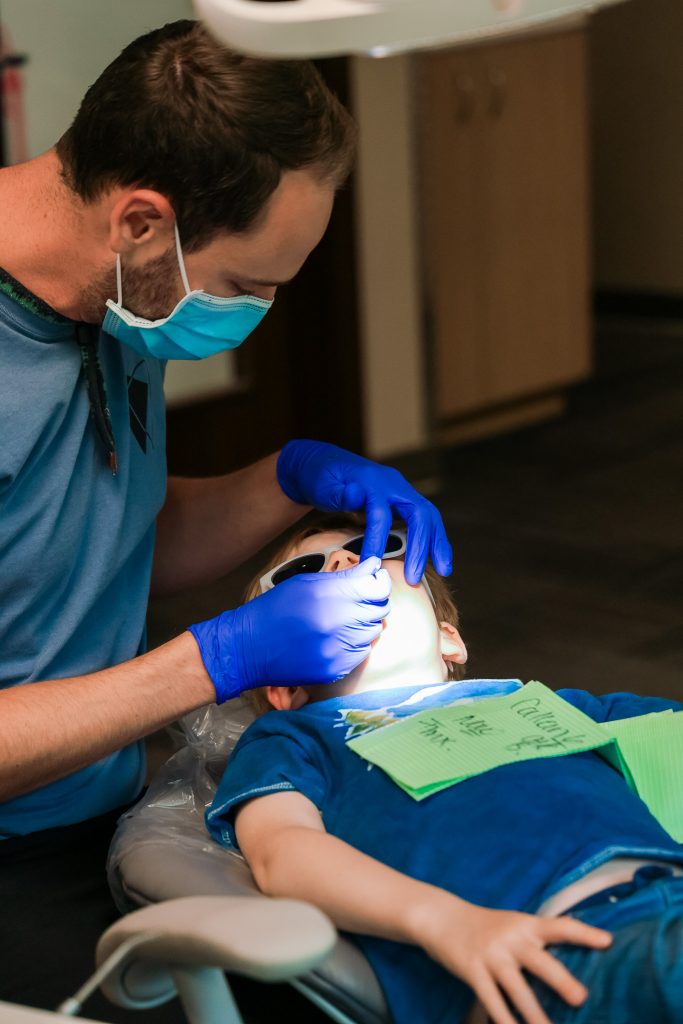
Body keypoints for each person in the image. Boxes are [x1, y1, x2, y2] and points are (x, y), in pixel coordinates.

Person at [0, 20, 453, 1016]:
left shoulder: (119, 300)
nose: (258, 311)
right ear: (141, 222)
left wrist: (289, 479)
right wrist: (214, 659)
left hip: (108, 804)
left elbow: (98, 541)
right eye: (247, 285)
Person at [206, 513, 683, 1024]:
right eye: (304, 572)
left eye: (376, 549)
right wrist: (447, 922)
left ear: (447, 638)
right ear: (284, 688)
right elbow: (282, 851)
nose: (346, 561)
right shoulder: (297, 738)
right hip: (547, 951)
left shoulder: (536, 702)